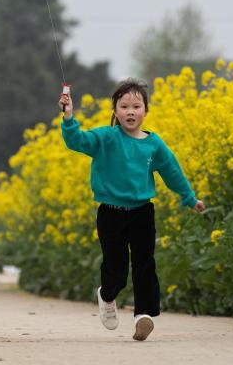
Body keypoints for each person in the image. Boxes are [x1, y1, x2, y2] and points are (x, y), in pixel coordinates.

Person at [59, 78, 205, 341]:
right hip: (110, 213)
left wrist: (189, 197)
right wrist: (69, 118)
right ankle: (107, 295)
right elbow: (76, 141)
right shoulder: (105, 137)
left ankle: (143, 316)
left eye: (136, 106)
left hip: (142, 212)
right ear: (115, 111)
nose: (130, 111)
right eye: (124, 106)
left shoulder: (154, 144)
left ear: (145, 111)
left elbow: (172, 172)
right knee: (116, 269)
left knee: (145, 264)